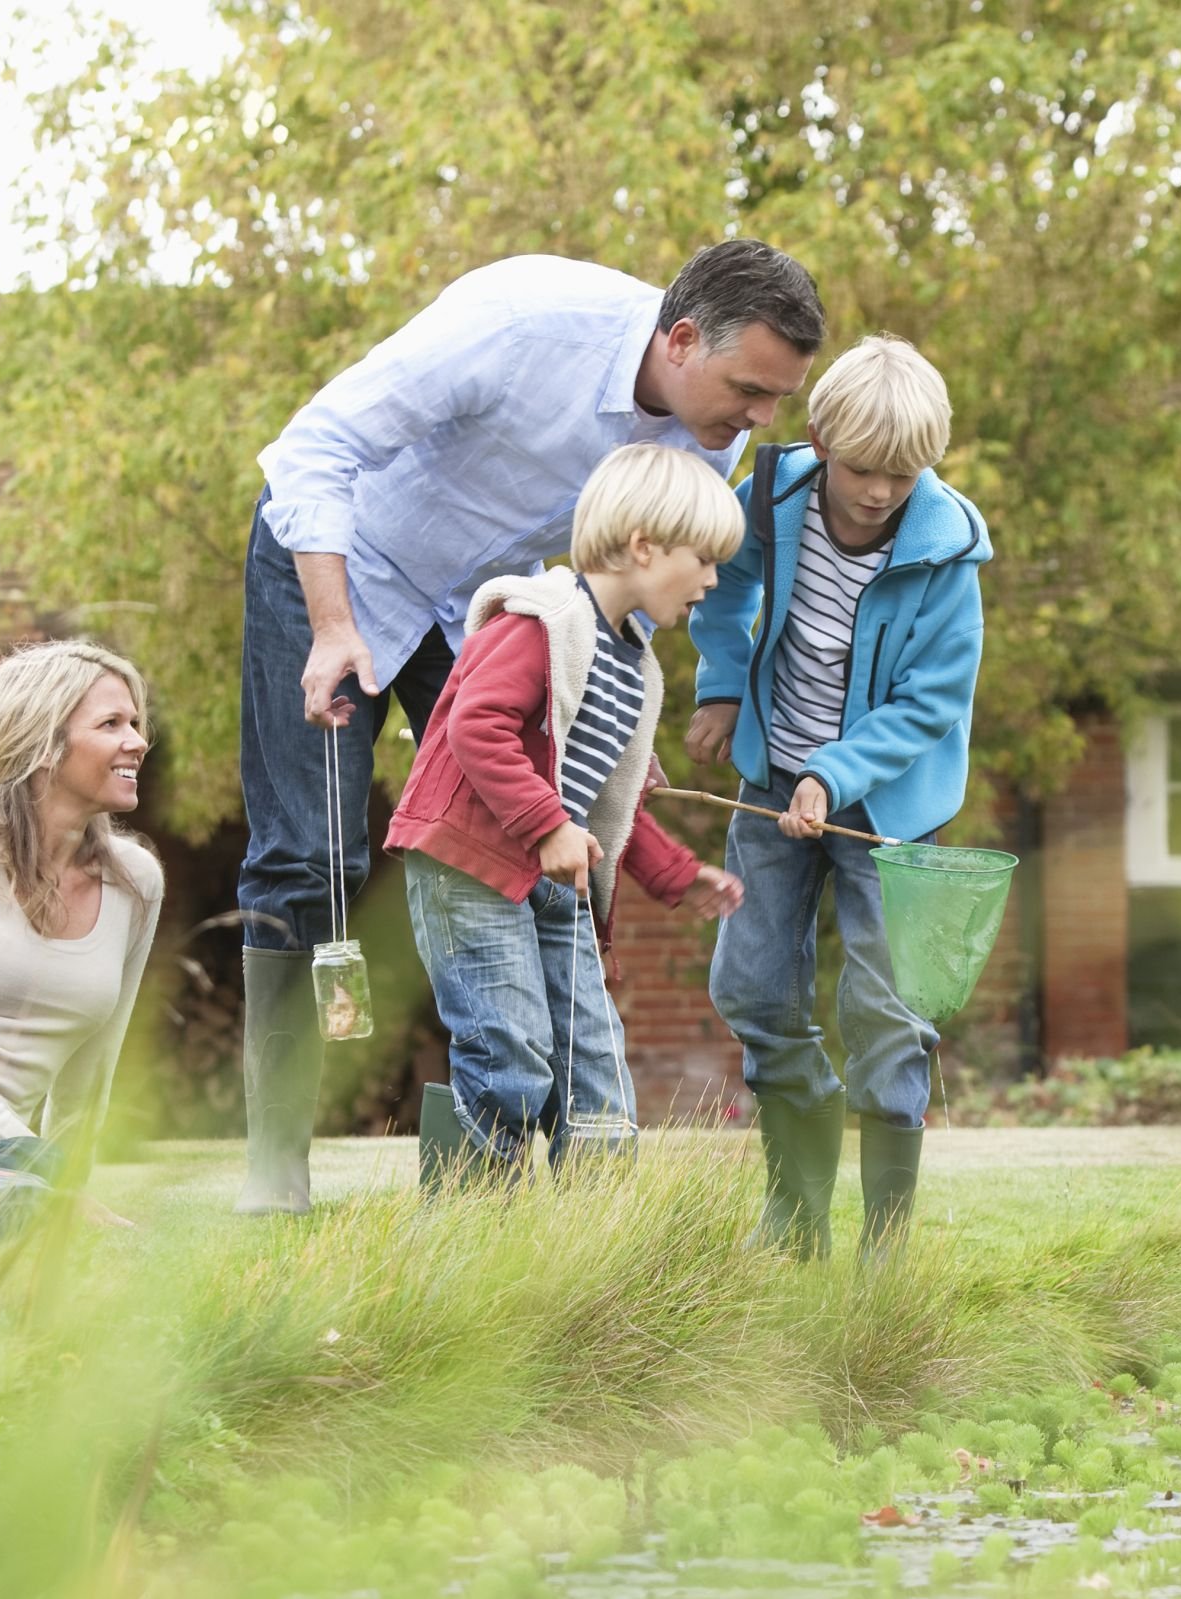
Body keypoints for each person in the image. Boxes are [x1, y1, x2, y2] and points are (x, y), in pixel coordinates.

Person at [237, 242, 823, 1212]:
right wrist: (334, 626)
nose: (760, 421)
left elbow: (639, 581)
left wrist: (617, 747)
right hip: (338, 561)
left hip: (480, 609)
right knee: (311, 858)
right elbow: (313, 448)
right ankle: (274, 1168)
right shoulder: (519, 322)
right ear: (680, 341)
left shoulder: (708, 433)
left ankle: (542, 1163)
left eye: (776, 400)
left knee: (546, 836)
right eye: (751, 389)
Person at [686, 335, 990, 1261]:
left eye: (904, 474)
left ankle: (885, 1241)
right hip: (772, 780)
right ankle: (796, 1211)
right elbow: (721, 588)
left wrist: (837, 775)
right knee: (751, 983)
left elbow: (931, 702)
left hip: (890, 806)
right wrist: (723, 687)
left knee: (889, 1009)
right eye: (862, 469)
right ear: (820, 438)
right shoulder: (770, 501)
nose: (880, 492)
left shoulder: (948, 552)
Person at [387, 443, 746, 1181]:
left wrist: (676, 874)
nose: (713, 580)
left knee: (597, 1070)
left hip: (555, 880)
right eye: (704, 559)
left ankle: (594, 1245)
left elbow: (609, 805)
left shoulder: (633, 665)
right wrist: (548, 825)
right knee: (509, 1053)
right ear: (643, 546)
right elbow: (475, 726)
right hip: (473, 862)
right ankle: (470, 1234)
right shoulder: (541, 623)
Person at [0, 641, 164, 1226]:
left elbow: (91, 1071)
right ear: (44, 743)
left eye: (136, 722)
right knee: (23, 1201)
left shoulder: (135, 883)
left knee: (22, 1207)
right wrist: (40, 1169)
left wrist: (65, 1184)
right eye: (112, 724)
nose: (138, 741)